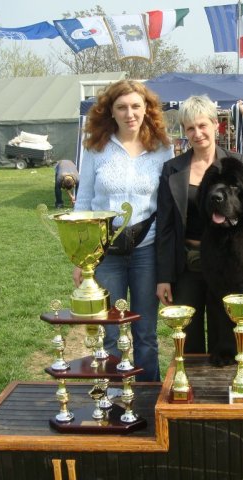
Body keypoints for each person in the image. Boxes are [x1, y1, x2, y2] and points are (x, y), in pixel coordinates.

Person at [74, 79, 173, 382]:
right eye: (122, 107)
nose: (129, 113)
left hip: (147, 250)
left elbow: (167, 205)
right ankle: (115, 394)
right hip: (106, 254)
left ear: (147, 110)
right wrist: (82, 258)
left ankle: (146, 394)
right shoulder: (95, 148)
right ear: (111, 112)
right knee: (111, 331)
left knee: (145, 332)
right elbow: (85, 201)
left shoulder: (162, 149)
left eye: (135, 106)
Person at [156, 95, 243, 353]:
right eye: (190, 128)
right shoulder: (172, 169)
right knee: (188, 338)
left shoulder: (235, 164)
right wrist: (163, 278)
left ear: (216, 125)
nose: (197, 133)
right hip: (188, 266)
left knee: (226, 336)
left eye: (202, 125)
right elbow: (165, 226)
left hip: (227, 264)